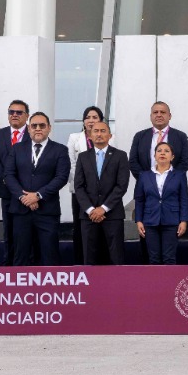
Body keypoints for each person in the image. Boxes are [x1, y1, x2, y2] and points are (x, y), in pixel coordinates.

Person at [4, 112, 71, 265]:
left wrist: (38, 195)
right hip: (21, 210)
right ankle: (19, 289)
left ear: (49, 128)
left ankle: (50, 288)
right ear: (29, 128)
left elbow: (61, 177)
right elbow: (8, 175)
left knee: (49, 255)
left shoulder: (60, 150)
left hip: (47, 211)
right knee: (20, 256)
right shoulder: (17, 149)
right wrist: (24, 197)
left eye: (42, 125)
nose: (38, 129)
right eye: (34, 125)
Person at [73, 120, 131, 265]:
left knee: (115, 256)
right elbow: (78, 186)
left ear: (110, 135)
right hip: (88, 216)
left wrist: (103, 208)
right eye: (95, 131)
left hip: (112, 215)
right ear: (90, 136)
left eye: (103, 131)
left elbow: (121, 186)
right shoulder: (83, 157)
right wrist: (91, 209)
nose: (99, 134)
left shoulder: (120, 156)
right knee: (89, 257)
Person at [135, 141, 188, 265]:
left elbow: (184, 199)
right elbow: (140, 199)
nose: (162, 153)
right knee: (153, 259)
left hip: (172, 221)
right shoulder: (144, 176)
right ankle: (155, 284)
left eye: (166, 151)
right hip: (150, 221)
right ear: (154, 156)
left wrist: (184, 220)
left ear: (172, 156)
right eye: (159, 151)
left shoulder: (179, 175)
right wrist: (138, 221)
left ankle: (169, 284)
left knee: (169, 258)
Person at [0, 100, 30, 265]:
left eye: (19, 112)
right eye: (11, 112)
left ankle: (28, 264)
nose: (14, 115)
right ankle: (9, 264)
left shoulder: (32, 133)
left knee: (26, 230)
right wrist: (7, 178)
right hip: (6, 189)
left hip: (28, 190)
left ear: (26, 116)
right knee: (9, 229)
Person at [66, 106, 105, 264]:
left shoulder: (110, 138)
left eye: (95, 117)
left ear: (101, 121)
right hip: (80, 193)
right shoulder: (75, 138)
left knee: (101, 228)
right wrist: (83, 187)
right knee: (81, 229)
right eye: (88, 117)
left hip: (103, 193)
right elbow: (72, 165)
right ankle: (80, 264)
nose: (91, 120)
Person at [130, 102, 188, 176]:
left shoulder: (181, 137)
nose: (159, 115)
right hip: (145, 185)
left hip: (172, 185)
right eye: (155, 112)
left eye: (163, 112)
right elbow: (133, 162)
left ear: (169, 116)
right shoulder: (139, 136)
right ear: (151, 116)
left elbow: (184, 163)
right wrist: (145, 180)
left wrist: (169, 180)